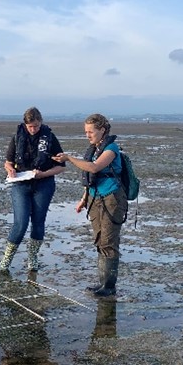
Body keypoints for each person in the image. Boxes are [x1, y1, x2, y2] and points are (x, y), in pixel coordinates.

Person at [53, 113, 128, 296]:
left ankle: (109, 287)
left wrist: (69, 158)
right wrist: (83, 199)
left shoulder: (111, 149)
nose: (87, 135)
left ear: (102, 130)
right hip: (95, 199)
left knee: (109, 241)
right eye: (85, 132)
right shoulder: (94, 149)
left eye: (90, 131)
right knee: (100, 241)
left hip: (112, 199)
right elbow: (91, 180)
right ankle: (102, 283)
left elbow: (94, 168)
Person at [0, 107, 65, 273]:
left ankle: (32, 259)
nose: (33, 130)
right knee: (20, 223)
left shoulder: (49, 137)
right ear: (25, 124)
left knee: (38, 222)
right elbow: (7, 161)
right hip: (21, 183)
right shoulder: (17, 137)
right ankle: (6, 260)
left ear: (40, 122)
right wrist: (10, 170)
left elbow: (61, 167)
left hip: (43, 184)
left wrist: (43, 174)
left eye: (36, 126)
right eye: (30, 127)